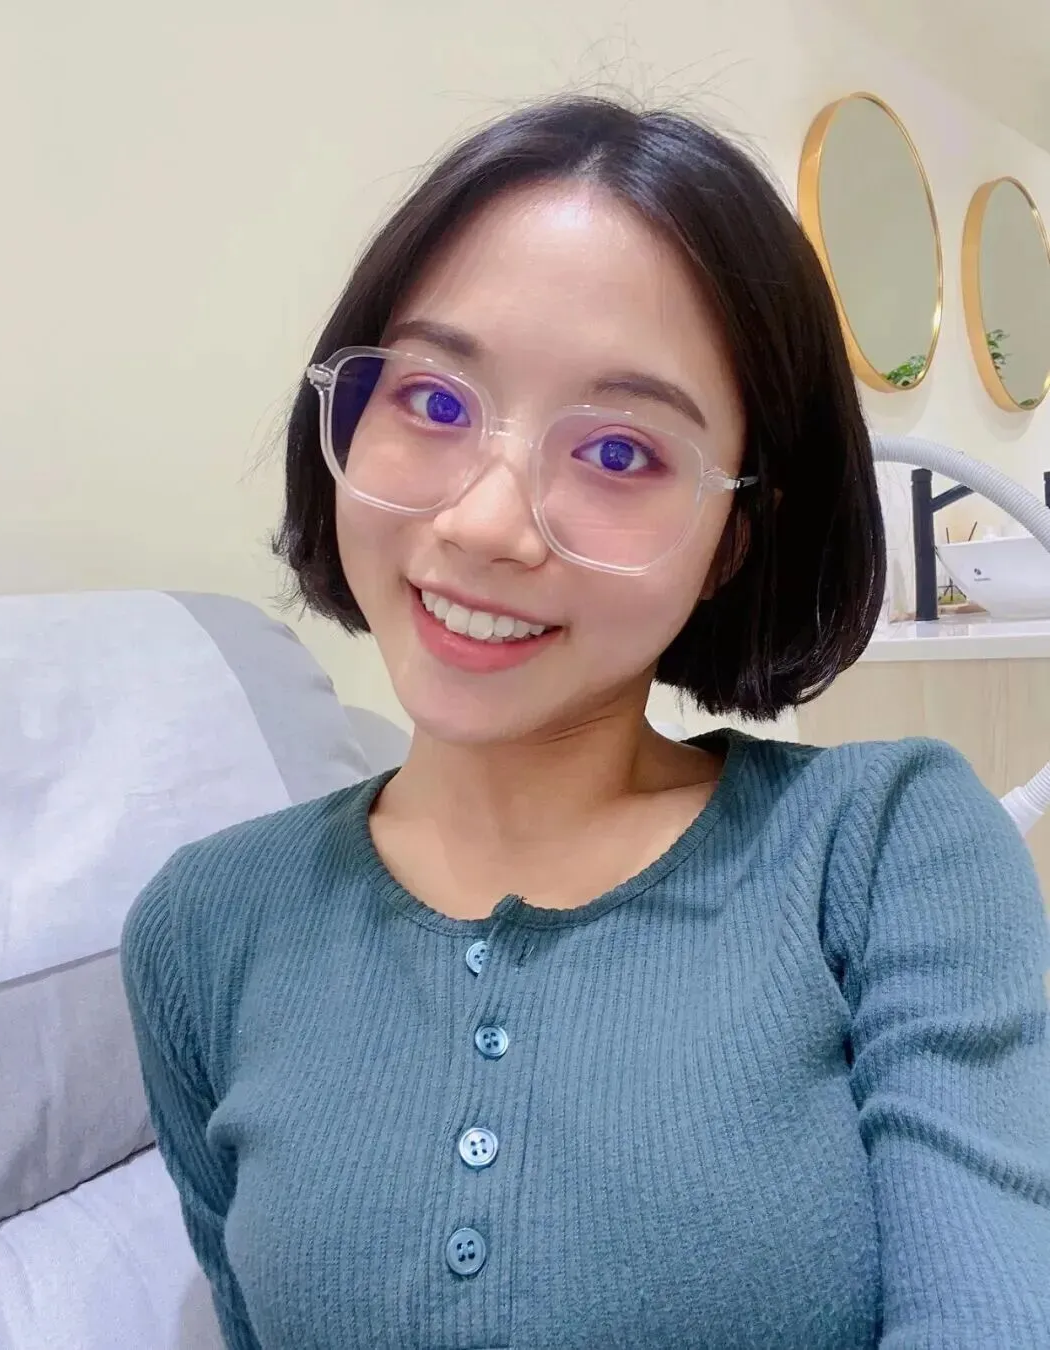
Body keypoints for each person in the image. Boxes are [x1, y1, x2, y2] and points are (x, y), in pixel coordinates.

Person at [120, 96, 1050, 1349]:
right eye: (433, 401)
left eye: (618, 454)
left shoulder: (884, 851)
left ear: (734, 541)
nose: (486, 525)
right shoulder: (204, 926)